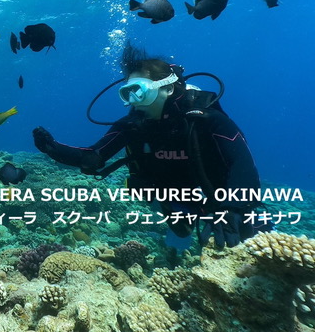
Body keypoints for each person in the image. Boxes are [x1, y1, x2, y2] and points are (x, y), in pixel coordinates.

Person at [33, 43, 264, 250]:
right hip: (175, 196)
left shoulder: (207, 120)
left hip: (222, 194)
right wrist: (53, 149)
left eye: (139, 91)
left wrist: (234, 208)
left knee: (251, 241)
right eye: (127, 93)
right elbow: (93, 157)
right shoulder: (133, 125)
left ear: (168, 88)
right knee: (181, 230)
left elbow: (242, 163)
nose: (133, 101)